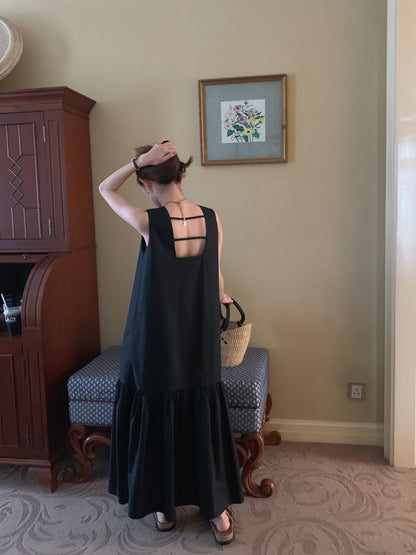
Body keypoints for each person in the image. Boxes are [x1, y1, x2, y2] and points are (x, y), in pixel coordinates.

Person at [99, 138, 244, 546]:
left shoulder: (149, 222)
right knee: (200, 410)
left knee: (157, 410)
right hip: (197, 335)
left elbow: (105, 188)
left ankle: (163, 507)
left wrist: (136, 162)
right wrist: (219, 294)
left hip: (154, 337)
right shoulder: (212, 219)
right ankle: (216, 512)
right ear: (181, 174)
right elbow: (215, 277)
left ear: (146, 183)